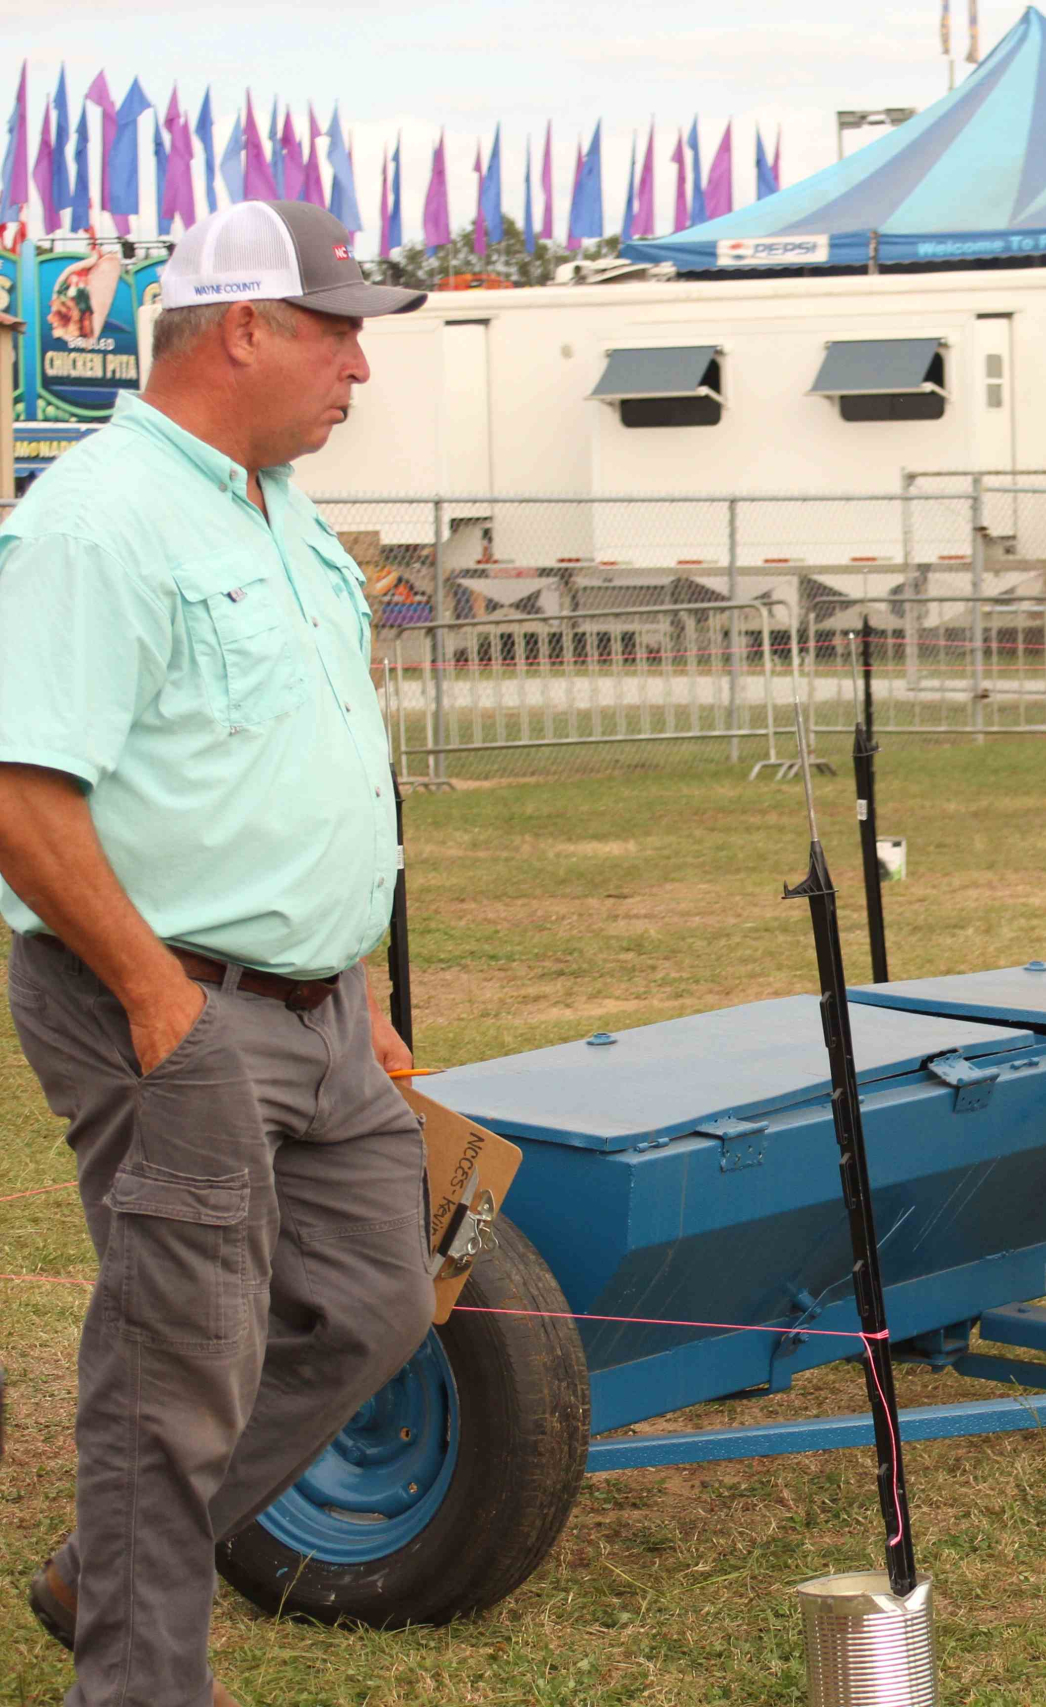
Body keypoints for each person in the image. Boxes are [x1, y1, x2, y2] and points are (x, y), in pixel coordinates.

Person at [0, 201, 431, 1707]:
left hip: (316, 1013)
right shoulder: (97, 514)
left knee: (380, 1303)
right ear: (244, 326)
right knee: (174, 1372)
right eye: (340, 331)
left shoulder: (275, 502)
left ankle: (100, 1565)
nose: (360, 369)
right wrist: (158, 998)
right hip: (171, 1003)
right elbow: (19, 789)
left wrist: (352, 982)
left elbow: (280, 769)